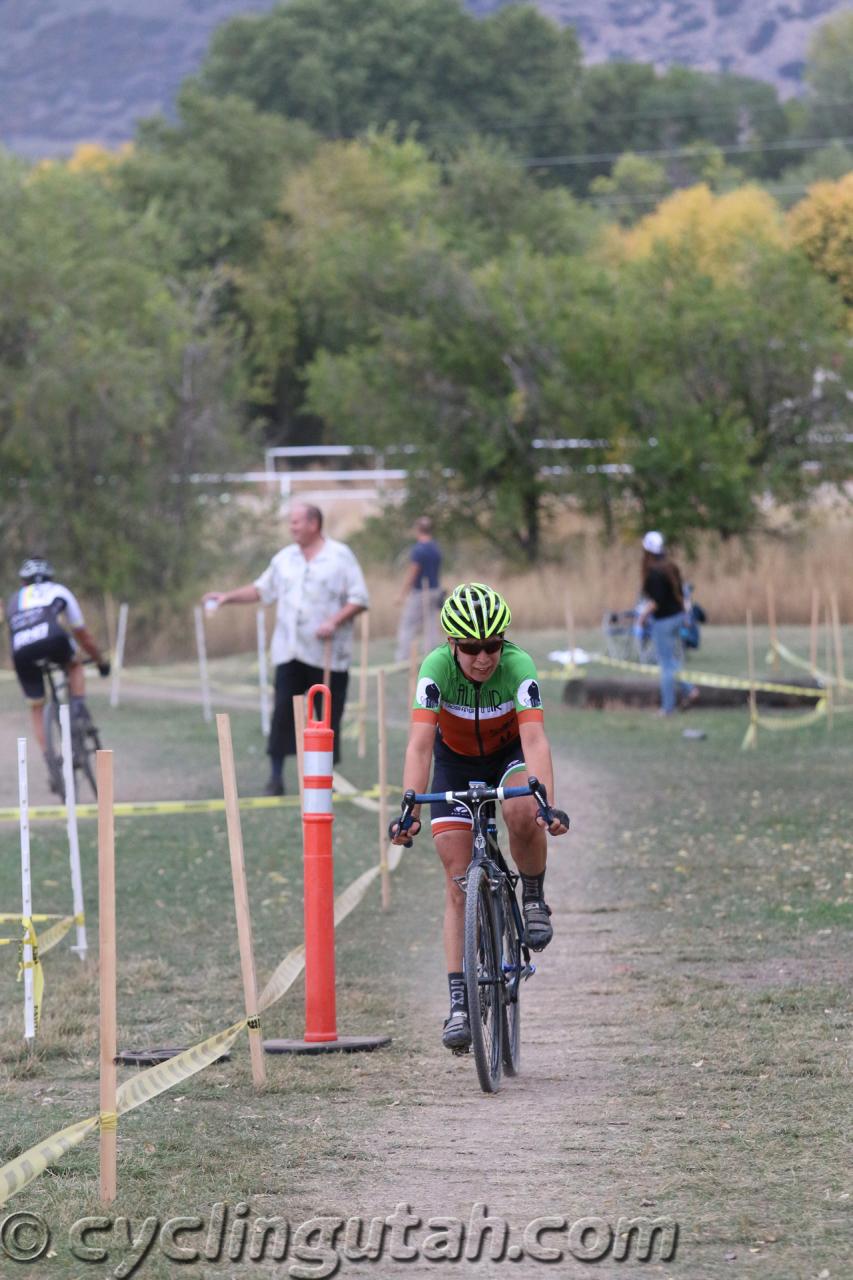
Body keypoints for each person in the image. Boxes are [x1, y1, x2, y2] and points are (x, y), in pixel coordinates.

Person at [389, 582, 569, 1051]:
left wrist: (545, 801)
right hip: (455, 760)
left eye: (492, 645)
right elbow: (420, 744)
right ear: (452, 644)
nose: (484, 658)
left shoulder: (519, 666)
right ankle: (460, 1004)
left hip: (508, 756)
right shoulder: (434, 670)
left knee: (520, 807)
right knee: (456, 876)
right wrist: (408, 805)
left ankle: (531, 897)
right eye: (471, 649)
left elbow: (535, 742)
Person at [203, 503, 369, 796]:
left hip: (328, 654)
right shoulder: (284, 559)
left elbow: (359, 598)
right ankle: (276, 777)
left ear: (314, 524)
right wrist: (226, 597)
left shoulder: (340, 557)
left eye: (296, 522)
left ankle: (324, 779)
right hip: (289, 651)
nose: (291, 527)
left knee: (327, 716)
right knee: (282, 712)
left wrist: (334, 620)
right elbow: (261, 590)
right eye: (290, 523)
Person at [6, 559, 110, 785]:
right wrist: (100, 661)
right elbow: (83, 635)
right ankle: (79, 710)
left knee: (36, 705)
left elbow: (12, 635)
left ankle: (50, 761)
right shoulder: (59, 590)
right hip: (53, 639)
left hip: (21, 650)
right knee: (74, 664)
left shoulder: (15, 599)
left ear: (24, 582)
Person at [636, 531, 698, 715]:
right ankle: (690, 689)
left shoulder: (653, 573)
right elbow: (681, 594)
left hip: (664, 622)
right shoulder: (671, 567)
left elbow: (656, 602)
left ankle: (668, 707)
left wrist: (642, 617)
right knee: (670, 661)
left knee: (665, 664)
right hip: (677, 617)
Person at [394, 516, 442, 662]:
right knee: (431, 626)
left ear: (418, 530)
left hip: (420, 592)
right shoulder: (435, 548)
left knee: (407, 625)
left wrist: (402, 595)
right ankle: (433, 657)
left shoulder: (419, 550)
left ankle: (403, 659)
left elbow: (413, 573)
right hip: (435, 590)